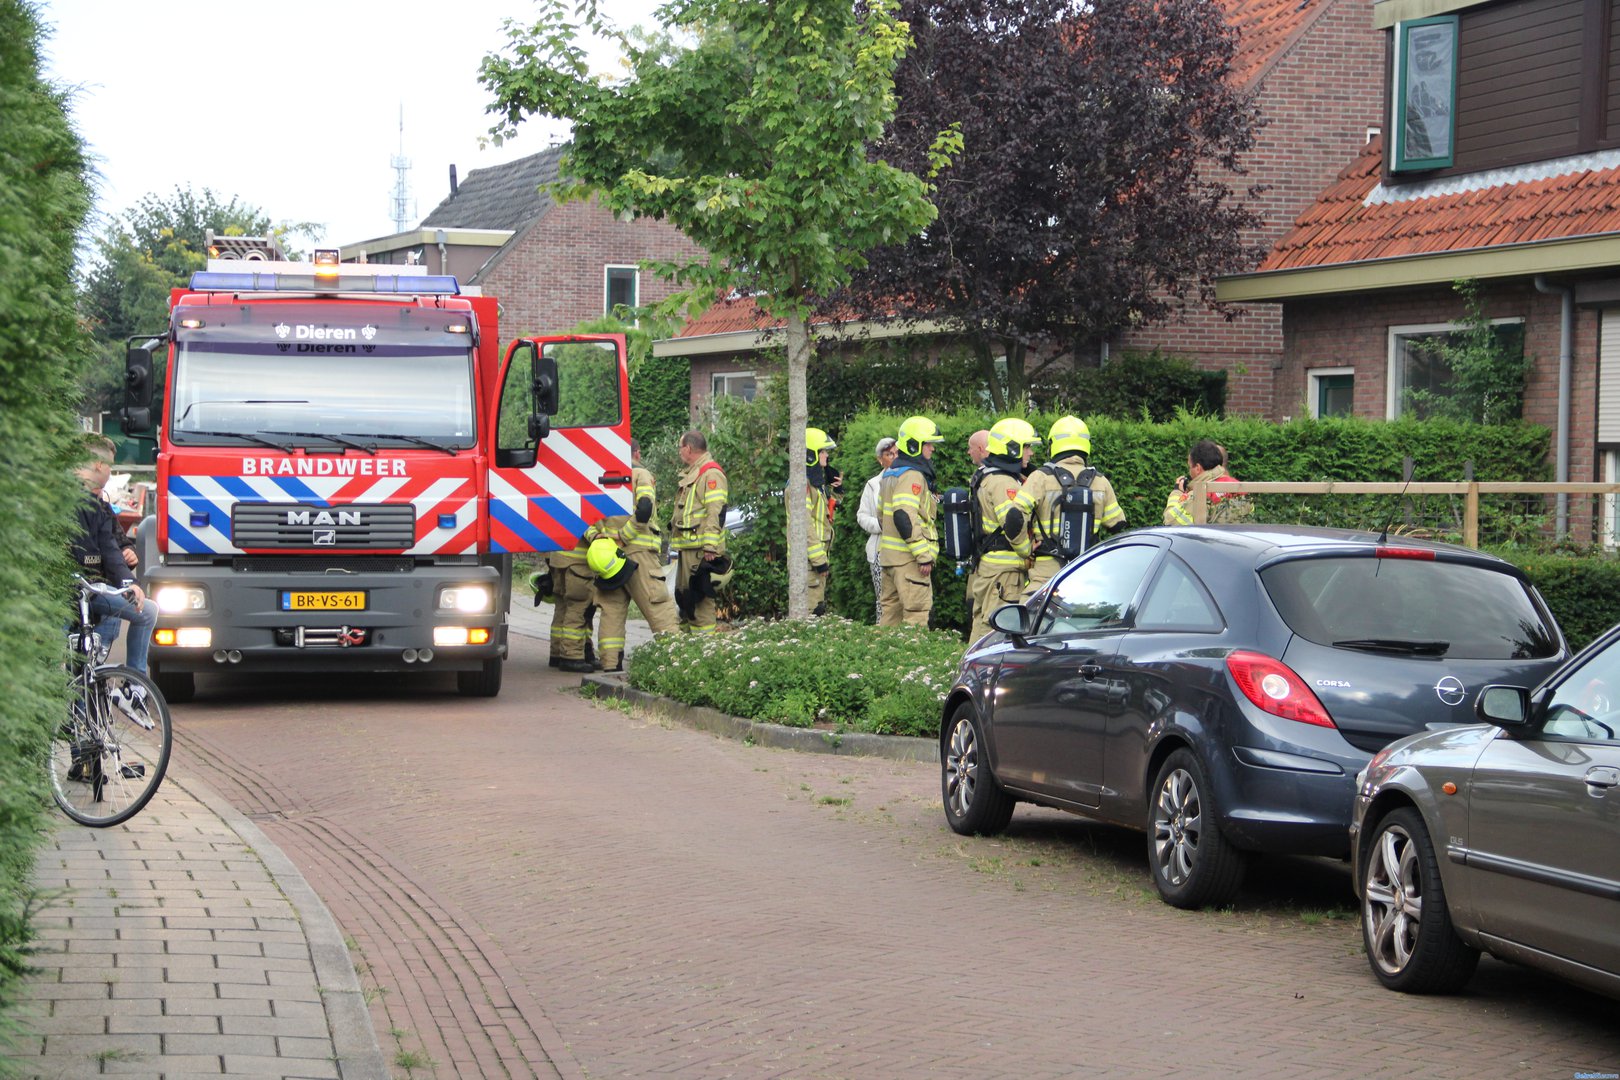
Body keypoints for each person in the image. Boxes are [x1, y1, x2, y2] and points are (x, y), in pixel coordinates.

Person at [585, 439, 678, 672]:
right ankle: (680, 659)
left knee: (611, 611)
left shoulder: (597, 476)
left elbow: (581, 516)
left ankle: (609, 665)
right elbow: (645, 507)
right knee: (657, 604)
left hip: (608, 559)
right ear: (636, 453)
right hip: (639, 555)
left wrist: (596, 537)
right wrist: (625, 536)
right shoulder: (640, 474)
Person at [1010, 416, 1126, 599]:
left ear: (1053, 444)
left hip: (1045, 577)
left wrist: (1025, 549)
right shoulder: (1100, 481)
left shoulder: (1040, 478)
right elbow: (1118, 525)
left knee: (1030, 623)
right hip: (1086, 573)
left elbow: (1013, 518)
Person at [71, 437, 156, 674]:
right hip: (66, 592)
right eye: (109, 465)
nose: (110, 472)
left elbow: (111, 544)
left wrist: (128, 579)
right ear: (98, 465)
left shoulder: (100, 504)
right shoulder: (64, 498)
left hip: (93, 588)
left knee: (146, 611)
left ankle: (133, 687)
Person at [967, 418, 1037, 644]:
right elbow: (1012, 525)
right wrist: (1027, 551)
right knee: (996, 629)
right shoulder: (1003, 482)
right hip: (1002, 571)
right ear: (1013, 448)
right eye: (1027, 447)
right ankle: (983, 674)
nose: (1031, 453)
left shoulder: (987, 475)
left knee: (982, 623)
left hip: (990, 567)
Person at [878, 416, 944, 627]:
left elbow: (882, 515)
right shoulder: (912, 475)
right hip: (909, 562)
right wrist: (922, 555)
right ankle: (913, 661)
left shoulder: (891, 474)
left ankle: (882, 660)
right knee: (916, 617)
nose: (932, 449)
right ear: (915, 446)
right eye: (928, 444)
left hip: (889, 560)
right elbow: (903, 515)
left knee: (890, 620)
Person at [671, 429, 730, 636]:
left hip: (700, 550)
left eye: (680, 448)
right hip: (689, 547)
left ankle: (704, 646)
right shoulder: (697, 472)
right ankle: (687, 644)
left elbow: (716, 512)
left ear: (688, 448)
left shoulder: (710, 474)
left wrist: (710, 547)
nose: (679, 452)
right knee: (685, 598)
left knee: (700, 599)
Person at [792, 427, 837, 615]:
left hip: (814, 560)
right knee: (811, 612)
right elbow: (804, 526)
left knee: (817, 607)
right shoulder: (801, 485)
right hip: (809, 562)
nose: (826, 455)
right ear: (810, 455)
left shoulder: (814, 484)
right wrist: (819, 560)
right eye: (822, 451)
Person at [1164, 438, 1252, 525]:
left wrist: (1176, 493)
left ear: (1198, 468)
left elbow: (1170, 522)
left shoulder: (1199, 495)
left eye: (1189, 467)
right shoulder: (1239, 488)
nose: (1189, 471)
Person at [857, 436, 898, 623]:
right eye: (889, 454)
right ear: (880, 459)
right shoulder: (873, 485)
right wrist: (881, 526)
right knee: (884, 600)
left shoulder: (907, 479)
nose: (894, 457)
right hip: (880, 550)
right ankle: (883, 634)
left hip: (903, 550)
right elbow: (862, 516)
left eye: (897, 453)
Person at [547, 535, 597, 674]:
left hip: (558, 559)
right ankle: (572, 656)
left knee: (562, 608)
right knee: (579, 608)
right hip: (578, 563)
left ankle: (557, 653)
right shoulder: (587, 511)